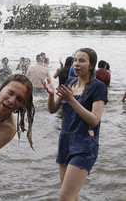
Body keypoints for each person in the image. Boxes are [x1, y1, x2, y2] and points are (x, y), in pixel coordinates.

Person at [41, 48, 107, 201]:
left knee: (65, 197)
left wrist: (71, 100)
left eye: (82, 61)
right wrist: (51, 95)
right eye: (76, 60)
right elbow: (52, 110)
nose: (77, 64)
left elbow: (94, 120)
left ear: (91, 65)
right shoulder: (70, 82)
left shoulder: (98, 87)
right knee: (72, 196)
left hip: (84, 143)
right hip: (65, 140)